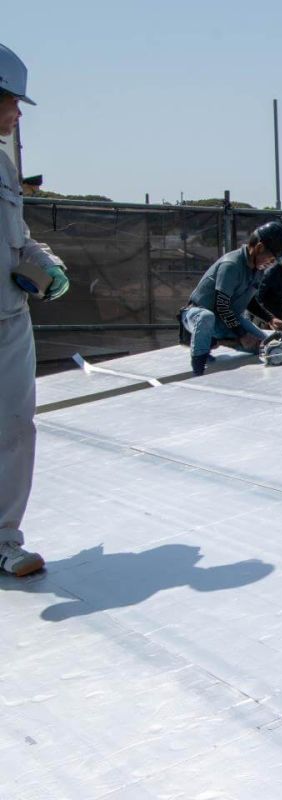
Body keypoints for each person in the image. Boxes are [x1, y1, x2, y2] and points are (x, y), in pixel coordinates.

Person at [0, 44, 69, 577]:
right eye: (12, 101)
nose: (17, 114)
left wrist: (48, 265)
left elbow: (16, 239)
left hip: (8, 319)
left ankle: (3, 539)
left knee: (17, 428)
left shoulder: (2, 165)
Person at [181, 221, 282, 376]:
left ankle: (215, 341)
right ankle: (198, 369)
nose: (271, 263)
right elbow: (221, 305)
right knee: (206, 318)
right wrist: (242, 334)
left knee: (264, 346)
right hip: (197, 315)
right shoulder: (231, 265)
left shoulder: (257, 269)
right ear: (259, 248)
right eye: (271, 259)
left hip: (225, 320)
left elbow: (249, 300)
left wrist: (270, 319)